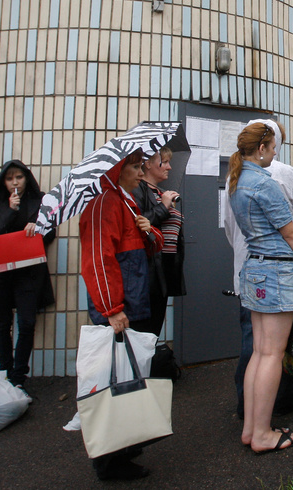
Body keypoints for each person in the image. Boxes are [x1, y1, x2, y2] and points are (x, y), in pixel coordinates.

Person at [79, 151, 164, 481]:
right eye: (134, 165)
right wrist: (112, 309)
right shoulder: (104, 203)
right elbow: (98, 261)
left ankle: (124, 448)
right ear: (116, 171)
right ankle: (110, 461)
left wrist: (149, 230)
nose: (141, 171)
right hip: (121, 308)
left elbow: (150, 245)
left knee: (129, 378)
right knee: (115, 381)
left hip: (133, 303)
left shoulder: (125, 200)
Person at [228, 122, 293, 454]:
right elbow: (291, 232)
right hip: (276, 272)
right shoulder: (265, 183)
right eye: (274, 146)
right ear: (261, 148)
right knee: (272, 356)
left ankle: (252, 428)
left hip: (253, 270)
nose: (276, 151)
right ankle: (263, 433)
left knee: (259, 354)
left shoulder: (236, 182)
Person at [0, 160, 56, 396]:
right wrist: (10, 211)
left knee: (27, 322)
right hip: (1, 272)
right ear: (3, 181)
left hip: (28, 272)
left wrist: (36, 229)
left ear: (26, 178)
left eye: (19, 177)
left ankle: (19, 375)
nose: (15, 182)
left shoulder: (39, 200)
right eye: (9, 178)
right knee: (3, 323)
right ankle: (5, 372)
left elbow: (51, 231)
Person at [134, 148, 185, 337]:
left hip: (164, 269)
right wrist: (163, 207)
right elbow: (138, 223)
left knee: (153, 331)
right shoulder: (138, 189)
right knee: (145, 332)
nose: (170, 167)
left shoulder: (161, 192)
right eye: (164, 162)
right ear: (147, 164)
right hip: (149, 271)